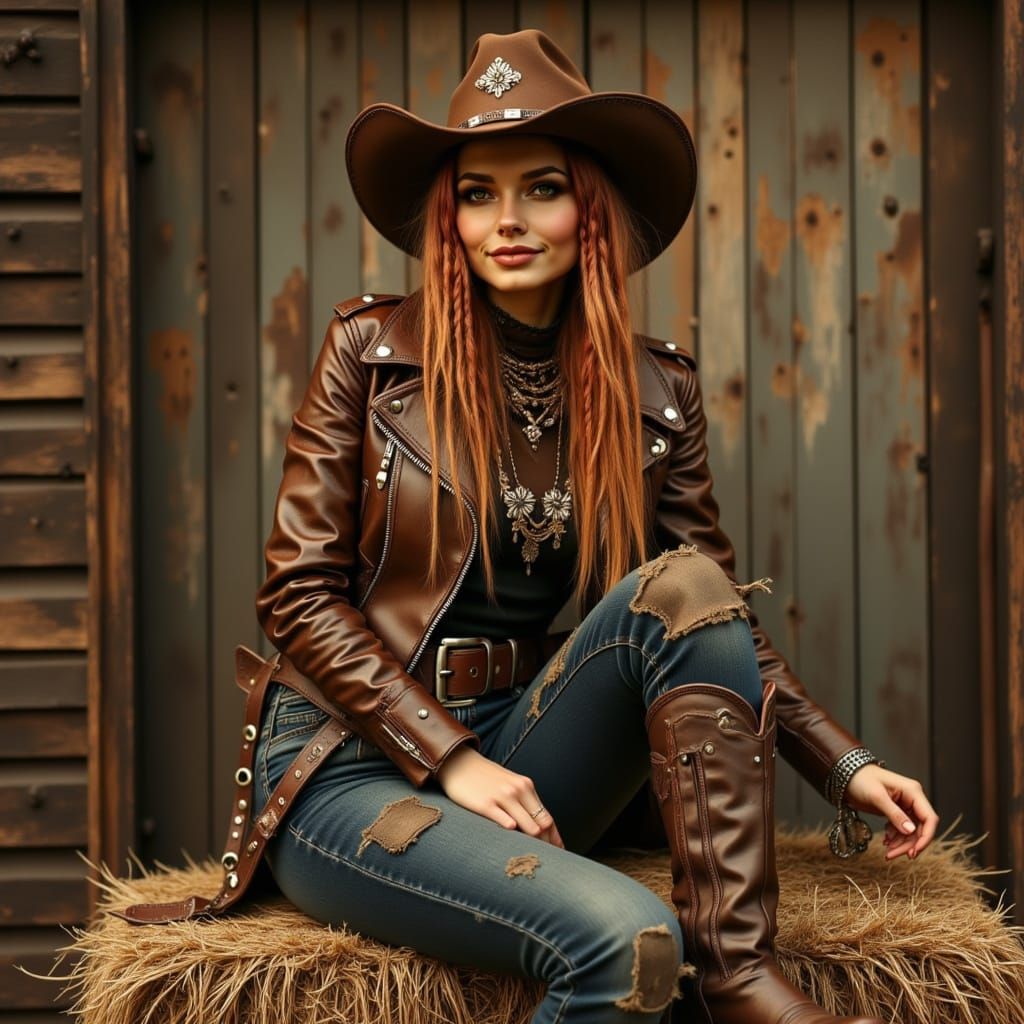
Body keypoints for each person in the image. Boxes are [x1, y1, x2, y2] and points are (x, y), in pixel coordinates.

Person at [252, 29, 939, 1024]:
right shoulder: (369, 354)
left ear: (591, 209)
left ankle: (741, 971)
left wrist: (843, 762)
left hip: (526, 748)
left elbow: (710, 619)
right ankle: (706, 963)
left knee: (686, 582)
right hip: (353, 766)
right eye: (476, 194)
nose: (507, 220)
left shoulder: (656, 389)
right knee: (628, 940)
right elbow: (296, 593)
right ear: (448, 217)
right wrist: (450, 756)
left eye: (541, 187)